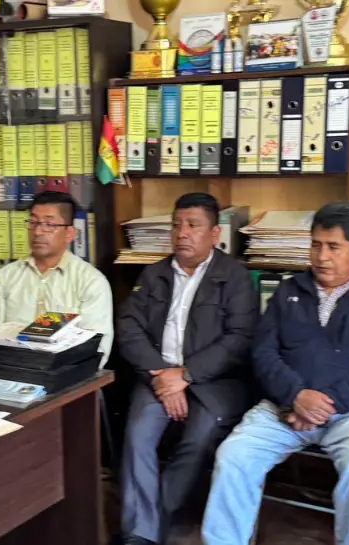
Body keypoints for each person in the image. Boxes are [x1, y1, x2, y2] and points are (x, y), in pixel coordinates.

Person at [202, 201, 349, 545]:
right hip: (284, 408)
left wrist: (325, 405)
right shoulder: (288, 291)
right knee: (233, 456)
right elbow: (263, 353)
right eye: (315, 245)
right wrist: (296, 396)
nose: (321, 257)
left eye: (333, 247)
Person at [115, 193, 258, 545]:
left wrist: (186, 375)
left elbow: (240, 338)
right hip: (157, 376)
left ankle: (154, 517)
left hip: (214, 382)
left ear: (214, 234)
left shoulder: (235, 277)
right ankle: (140, 535)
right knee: (137, 435)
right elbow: (128, 327)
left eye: (193, 225)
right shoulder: (154, 274)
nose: (182, 233)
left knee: (200, 437)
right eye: (176, 225)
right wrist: (160, 375)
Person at [0, 191, 113, 361]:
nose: (38, 231)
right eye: (33, 223)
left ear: (70, 233)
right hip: (11, 368)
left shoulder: (91, 281)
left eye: (49, 224)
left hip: (66, 372)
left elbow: (98, 348)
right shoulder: (5, 277)